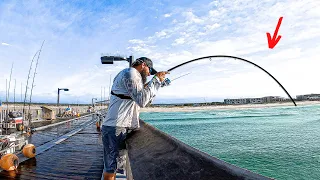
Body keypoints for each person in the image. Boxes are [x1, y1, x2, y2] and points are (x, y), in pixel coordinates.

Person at [101, 57, 168, 180]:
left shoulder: (128, 75)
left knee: (116, 166)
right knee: (111, 167)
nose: (149, 74)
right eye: (149, 70)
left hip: (120, 126)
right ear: (143, 65)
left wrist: (156, 84)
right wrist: (156, 79)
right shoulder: (131, 73)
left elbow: (142, 98)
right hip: (115, 127)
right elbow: (142, 100)